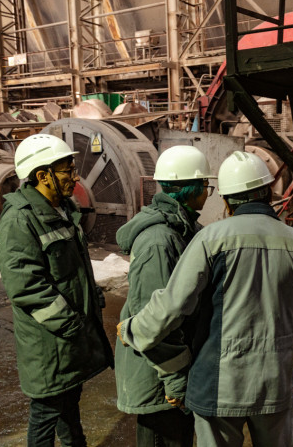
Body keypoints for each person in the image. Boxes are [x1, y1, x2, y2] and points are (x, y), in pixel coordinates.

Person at [118, 150, 293, 447]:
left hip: (219, 386)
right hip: (274, 385)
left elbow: (173, 304)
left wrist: (134, 329)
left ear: (226, 201)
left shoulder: (210, 239)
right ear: (268, 193)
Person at [0, 133, 113, 447]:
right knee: (47, 411)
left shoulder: (62, 208)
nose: (75, 177)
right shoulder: (20, 221)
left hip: (68, 336)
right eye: (67, 170)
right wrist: (71, 324)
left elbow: (73, 269)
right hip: (49, 341)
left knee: (69, 401)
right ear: (42, 176)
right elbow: (26, 287)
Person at [115, 145, 216, 447]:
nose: (208, 192)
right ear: (189, 188)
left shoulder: (184, 229)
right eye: (205, 185)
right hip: (159, 379)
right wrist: (176, 379)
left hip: (173, 369)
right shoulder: (159, 242)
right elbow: (153, 322)